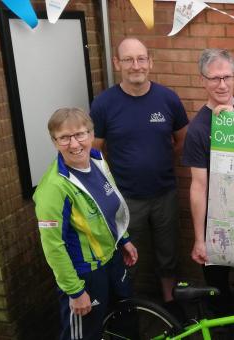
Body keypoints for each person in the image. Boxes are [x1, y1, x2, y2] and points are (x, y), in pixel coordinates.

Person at [90, 37, 189, 303]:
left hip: (164, 193)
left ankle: (170, 304)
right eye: (128, 59)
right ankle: (127, 308)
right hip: (125, 199)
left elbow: (181, 139)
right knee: (126, 256)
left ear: (150, 62)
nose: (136, 65)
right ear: (117, 63)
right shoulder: (104, 104)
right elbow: (94, 152)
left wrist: (158, 160)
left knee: (168, 254)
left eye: (141, 58)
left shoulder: (168, 99)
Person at [34, 107, 138, 340]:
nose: (74, 144)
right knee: (85, 335)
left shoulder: (97, 159)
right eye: (64, 138)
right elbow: (53, 247)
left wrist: (124, 238)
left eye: (80, 134)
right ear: (54, 142)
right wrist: (75, 291)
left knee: (125, 323)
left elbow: (108, 207)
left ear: (91, 134)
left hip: (112, 261)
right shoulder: (53, 188)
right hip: (85, 275)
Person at [182, 48, 234, 321]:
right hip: (217, 223)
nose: (222, 84)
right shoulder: (197, 129)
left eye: (227, 77)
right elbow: (198, 186)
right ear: (202, 81)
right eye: (214, 78)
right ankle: (223, 328)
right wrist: (199, 238)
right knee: (217, 289)